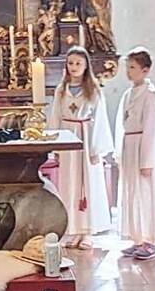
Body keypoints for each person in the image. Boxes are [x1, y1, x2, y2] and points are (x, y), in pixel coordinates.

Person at [46, 46, 112, 248]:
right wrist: (55, 146)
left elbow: (100, 120)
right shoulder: (61, 89)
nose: (74, 67)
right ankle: (74, 229)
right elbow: (55, 116)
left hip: (86, 138)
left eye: (78, 63)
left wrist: (96, 149)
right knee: (69, 185)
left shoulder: (93, 90)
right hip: (67, 138)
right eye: (70, 63)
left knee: (87, 185)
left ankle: (87, 231)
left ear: (85, 66)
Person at [114, 48, 155, 259]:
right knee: (132, 193)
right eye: (127, 67)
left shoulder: (150, 95)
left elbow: (151, 129)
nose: (129, 72)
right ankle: (137, 237)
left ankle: (150, 240)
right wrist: (120, 152)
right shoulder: (129, 94)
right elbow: (122, 123)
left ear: (145, 70)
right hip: (130, 146)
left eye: (133, 67)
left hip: (143, 148)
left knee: (146, 194)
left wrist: (146, 161)